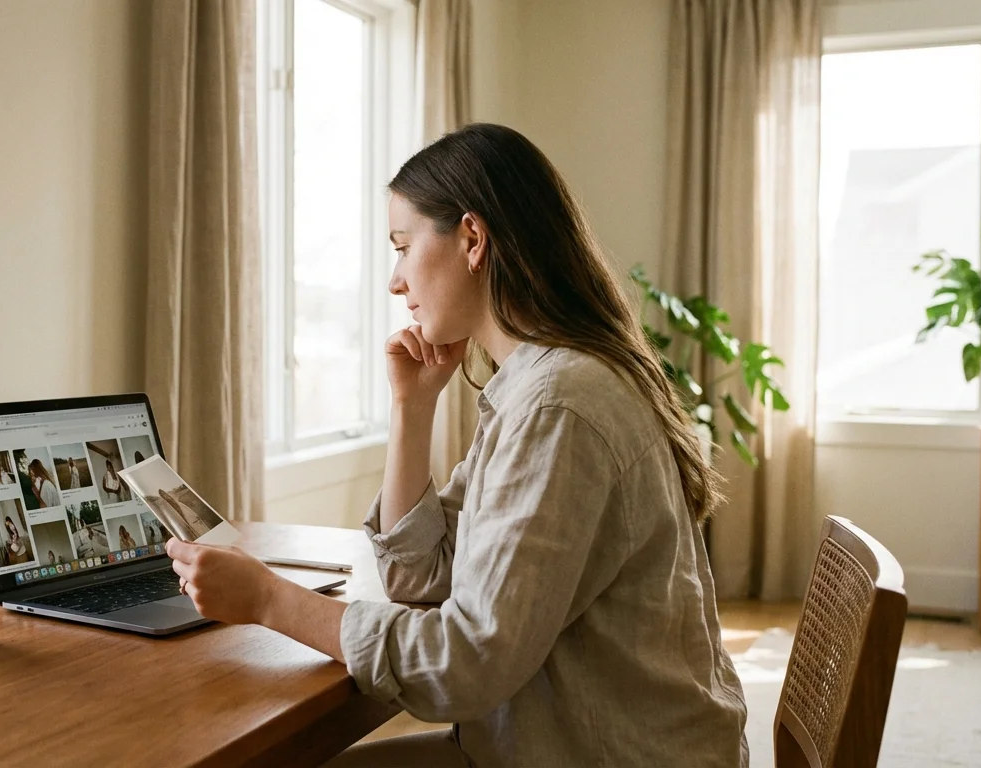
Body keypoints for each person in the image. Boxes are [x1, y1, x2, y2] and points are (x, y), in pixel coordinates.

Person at [164, 124, 748, 767]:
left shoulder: (560, 405)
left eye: (403, 246)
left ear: (472, 238)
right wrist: (412, 409)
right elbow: (421, 576)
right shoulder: (536, 386)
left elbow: (465, 664)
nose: (395, 281)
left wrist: (270, 599)